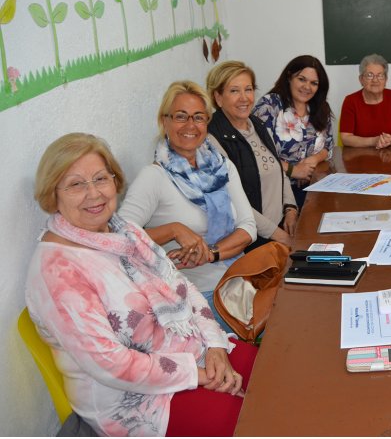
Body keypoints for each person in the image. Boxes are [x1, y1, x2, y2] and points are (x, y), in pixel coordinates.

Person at [26, 133, 256, 436]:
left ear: (115, 181)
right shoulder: (57, 270)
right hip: (137, 401)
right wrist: (200, 375)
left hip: (192, 351)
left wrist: (215, 347)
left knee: (274, 371)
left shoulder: (126, 231)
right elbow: (110, 364)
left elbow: (182, 287)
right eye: (75, 184)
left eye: (100, 178)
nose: (93, 193)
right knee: (253, 423)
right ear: (52, 194)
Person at [119, 81, 257, 331]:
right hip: (195, 297)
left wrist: (211, 253)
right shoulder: (154, 177)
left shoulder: (222, 167)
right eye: (181, 116)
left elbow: (248, 227)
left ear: (207, 123)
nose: (190, 125)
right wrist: (173, 229)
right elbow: (120, 238)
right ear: (165, 121)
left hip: (238, 279)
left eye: (198, 117)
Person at [205, 61, 298, 252]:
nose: (244, 98)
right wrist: (279, 235)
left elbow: (278, 170)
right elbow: (233, 201)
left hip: (278, 232)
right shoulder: (212, 139)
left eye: (248, 89)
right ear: (218, 97)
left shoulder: (257, 123)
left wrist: (290, 209)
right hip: (252, 242)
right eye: (234, 91)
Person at [253, 55, 334, 209]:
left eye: (314, 83)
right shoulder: (270, 105)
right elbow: (256, 151)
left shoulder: (321, 107)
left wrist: (313, 160)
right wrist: (294, 170)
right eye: (302, 79)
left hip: (314, 185)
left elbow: (328, 147)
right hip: (277, 189)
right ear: (289, 77)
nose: (307, 87)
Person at [340, 53, 391, 148]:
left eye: (380, 75)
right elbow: (346, 138)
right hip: (360, 155)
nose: (375, 80)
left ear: (386, 79)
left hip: (390, 153)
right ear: (361, 79)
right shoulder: (350, 101)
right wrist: (373, 141)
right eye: (369, 75)